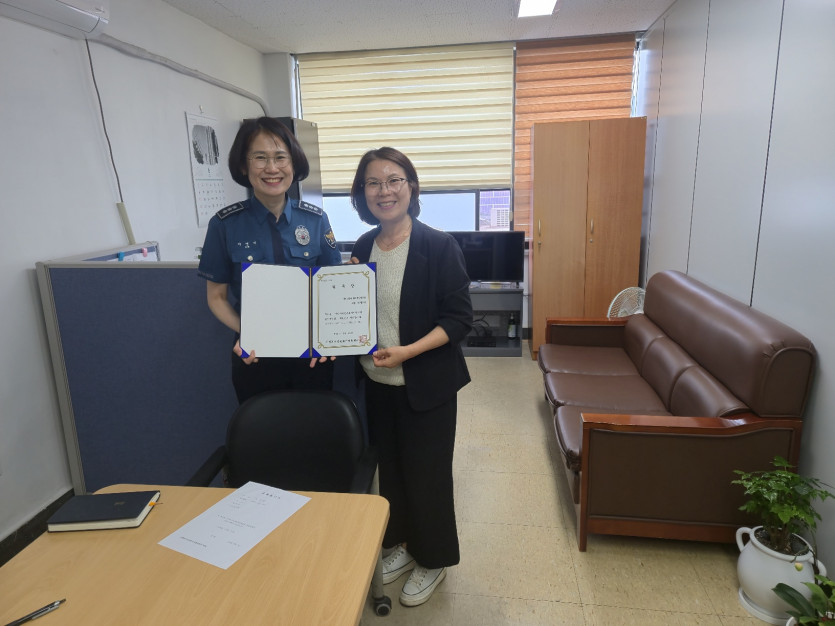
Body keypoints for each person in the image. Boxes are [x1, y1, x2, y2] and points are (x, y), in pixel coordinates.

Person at [349, 147, 473, 607]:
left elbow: (458, 319)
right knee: (394, 474)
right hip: (376, 384)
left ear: (411, 187)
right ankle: (402, 544)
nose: (384, 191)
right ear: (363, 193)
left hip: (427, 384)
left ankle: (433, 559)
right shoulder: (362, 246)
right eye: (373, 183)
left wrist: (407, 352)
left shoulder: (438, 246)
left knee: (428, 477)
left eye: (394, 180)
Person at [198, 117, 342, 404]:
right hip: (254, 353)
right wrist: (248, 332)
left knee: (315, 425)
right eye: (260, 158)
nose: (272, 168)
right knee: (262, 427)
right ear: (244, 165)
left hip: (311, 352)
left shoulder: (315, 219)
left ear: (294, 163)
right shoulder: (224, 224)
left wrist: (329, 336)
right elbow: (216, 297)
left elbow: (333, 287)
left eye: (280, 157)